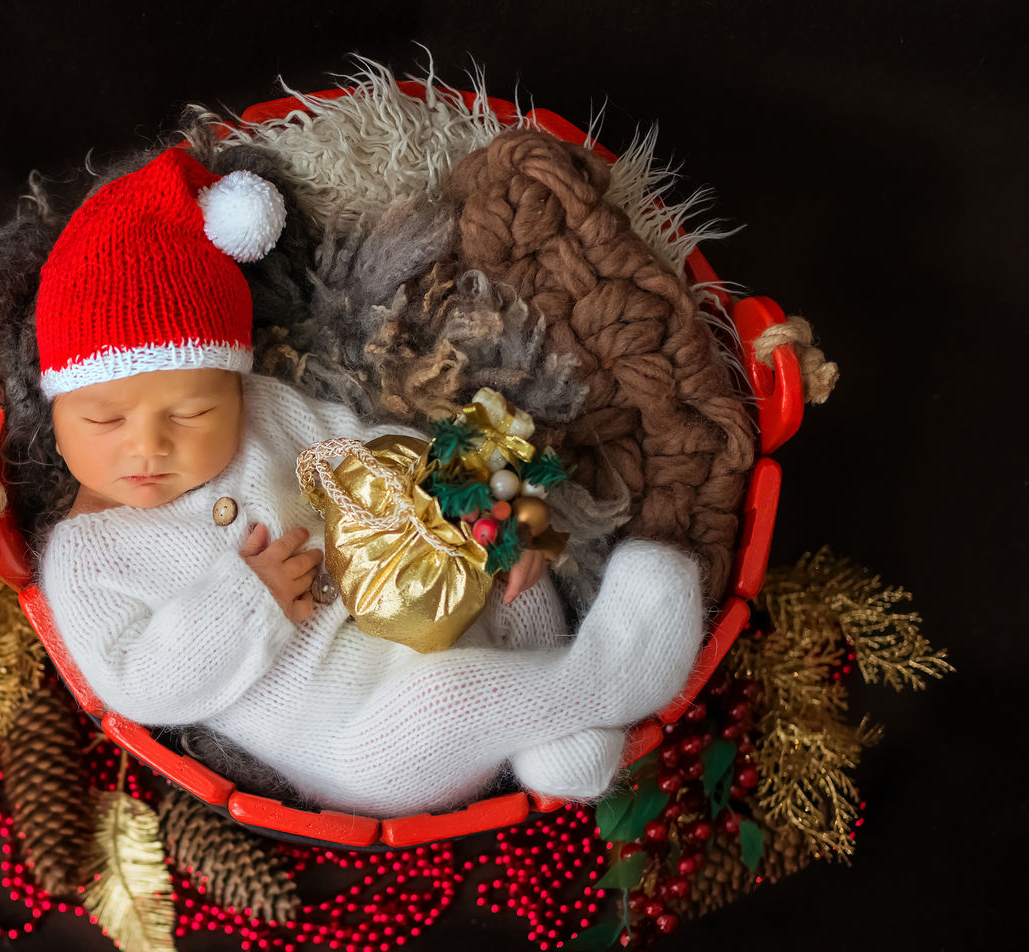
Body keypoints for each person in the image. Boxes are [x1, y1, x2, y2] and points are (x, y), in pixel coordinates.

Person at [36, 148, 704, 817]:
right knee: (437, 700)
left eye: (192, 412)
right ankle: (613, 678)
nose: (149, 444)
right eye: (105, 418)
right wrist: (246, 598)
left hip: (439, 604)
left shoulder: (262, 414)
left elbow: (372, 449)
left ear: (233, 385)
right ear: (57, 414)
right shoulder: (87, 556)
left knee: (511, 583)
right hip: (357, 737)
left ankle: (545, 735)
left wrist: (486, 497)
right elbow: (135, 683)